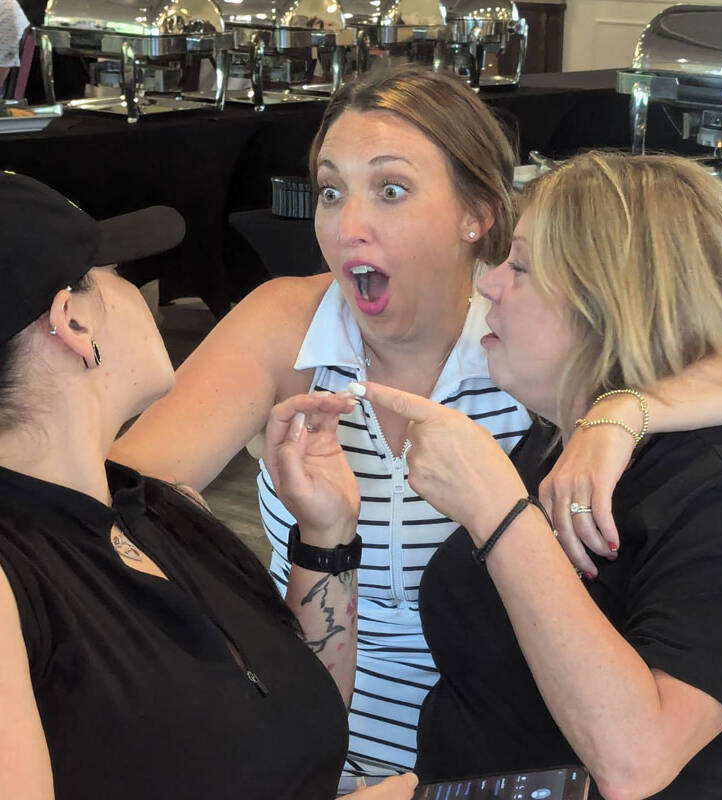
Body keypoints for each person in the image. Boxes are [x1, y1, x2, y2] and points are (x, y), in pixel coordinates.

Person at [111, 66, 722, 782]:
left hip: (501, 770)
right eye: (329, 191)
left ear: (477, 215)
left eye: (391, 190)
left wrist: (617, 414)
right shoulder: (307, 328)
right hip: (348, 750)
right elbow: (113, 502)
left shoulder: (530, 358)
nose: (347, 226)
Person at [353, 152, 722, 799]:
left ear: (617, 300)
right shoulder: (562, 442)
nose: (488, 285)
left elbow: (634, 759)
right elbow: (509, 709)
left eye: (523, 268)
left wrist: (497, 513)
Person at [0, 171, 417, 800]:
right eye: (116, 275)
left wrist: (325, 538)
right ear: (74, 324)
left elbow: (294, 723)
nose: (136, 293)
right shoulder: (16, 576)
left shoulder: (155, 508)